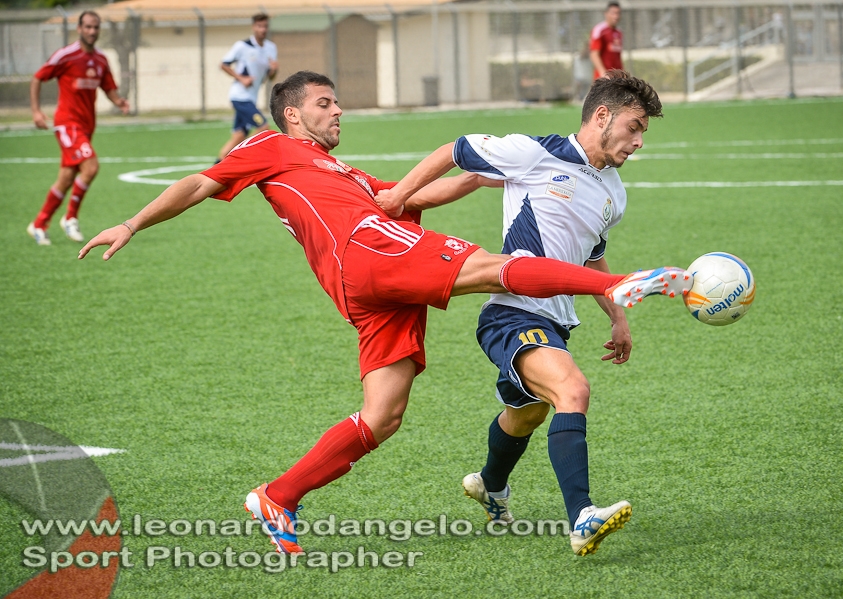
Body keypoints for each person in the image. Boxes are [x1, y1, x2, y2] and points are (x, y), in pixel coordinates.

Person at [78, 70, 690, 556]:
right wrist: (133, 221)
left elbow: (410, 196)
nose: (337, 110)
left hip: (369, 281)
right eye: (324, 103)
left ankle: (278, 497)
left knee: (383, 415)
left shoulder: (339, 169)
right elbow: (198, 183)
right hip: (365, 252)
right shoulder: (269, 145)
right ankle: (623, 283)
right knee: (494, 268)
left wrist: (479, 179)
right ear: (293, 113)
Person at [378, 70, 677, 556]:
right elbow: (457, 150)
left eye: (644, 131)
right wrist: (397, 197)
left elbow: (591, 256)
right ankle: (582, 517)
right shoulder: (536, 153)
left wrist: (616, 316)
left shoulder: (614, 193)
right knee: (572, 389)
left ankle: (490, 484)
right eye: (635, 126)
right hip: (512, 312)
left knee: (527, 414)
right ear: (601, 115)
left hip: (556, 319)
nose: (639, 141)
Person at [28, 10, 129, 246]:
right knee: (91, 167)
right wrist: (36, 111)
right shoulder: (66, 55)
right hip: (67, 124)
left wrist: (120, 102)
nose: (92, 31)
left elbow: (109, 89)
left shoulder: (101, 60)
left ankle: (39, 224)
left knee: (66, 178)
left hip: (86, 126)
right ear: (79, 28)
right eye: (88, 27)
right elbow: (37, 78)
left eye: (96, 27)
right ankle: (71, 217)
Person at [216, 13, 278, 163]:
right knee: (263, 126)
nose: (262, 29)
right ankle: (241, 158)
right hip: (239, 97)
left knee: (238, 137)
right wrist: (241, 78)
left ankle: (214, 169)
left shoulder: (271, 48)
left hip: (251, 98)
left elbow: (269, 78)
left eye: (265, 26)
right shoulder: (242, 46)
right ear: (253, 27)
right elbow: (224, 64)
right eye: (259, 26)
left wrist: (274, 70)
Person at [589, 2, 624, 80]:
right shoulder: (599, 30)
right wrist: (603, 73)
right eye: (613, 13)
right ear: (606, 14)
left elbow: (618, 57)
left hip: (617, 78)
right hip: (604, 78)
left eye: (618, 13)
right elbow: (594, 54)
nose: (616, 16)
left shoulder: (619, 32)